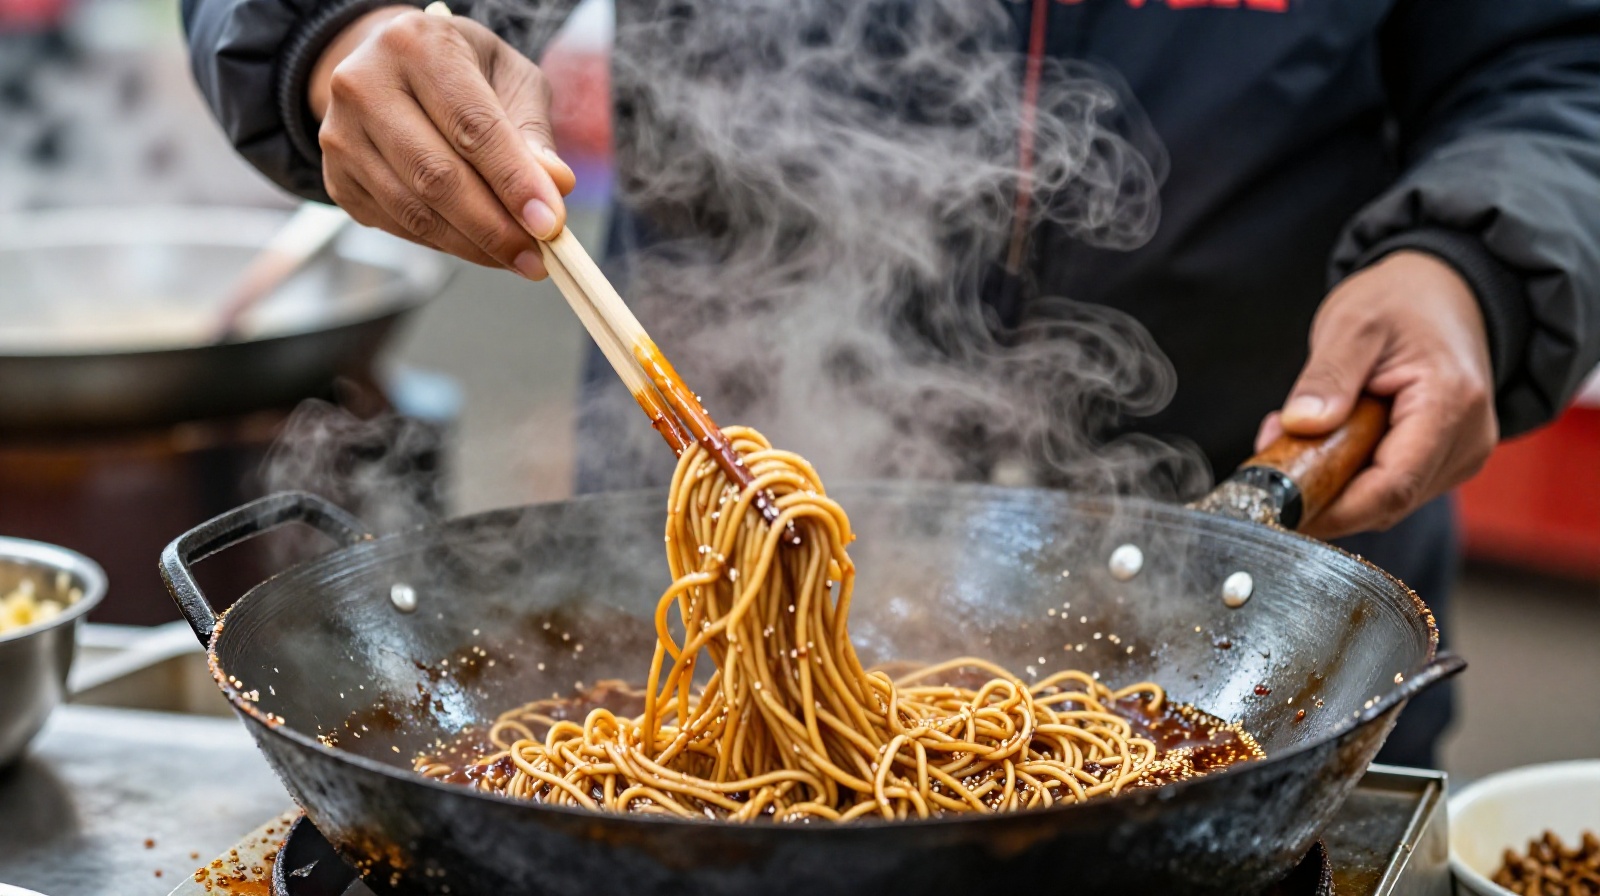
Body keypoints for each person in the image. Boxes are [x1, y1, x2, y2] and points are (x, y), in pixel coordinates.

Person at [181, 0, 1600, 768]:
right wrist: (334, 34)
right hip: (670, 612)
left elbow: (1554, 59)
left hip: (1245, 603)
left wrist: (1471, 262)